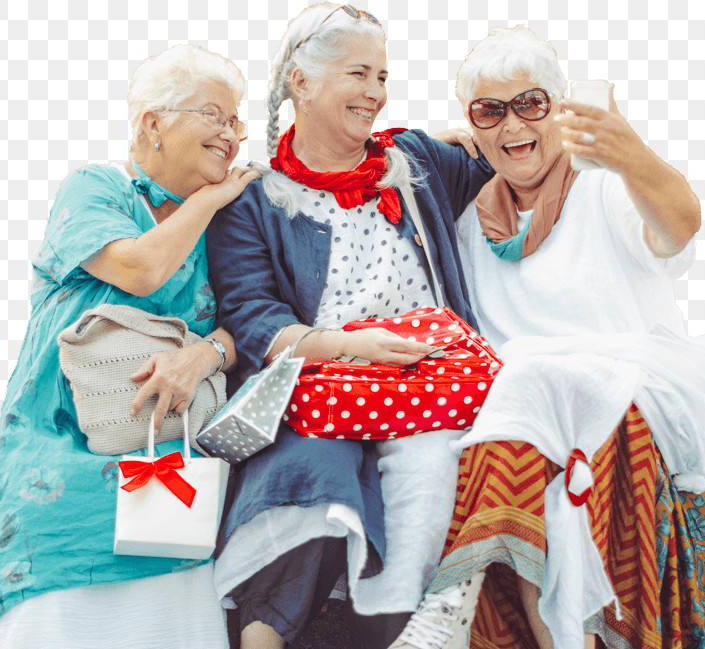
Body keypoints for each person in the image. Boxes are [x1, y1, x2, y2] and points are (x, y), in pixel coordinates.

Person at [389, 26, 705, 649]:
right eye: (491, 110)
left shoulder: (602, 187)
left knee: (535, 377)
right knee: (533, 440)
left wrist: (627, 154)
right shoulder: (468, 217)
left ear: (558, 109)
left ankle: (451, 599)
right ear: (473, 125)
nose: (513, 124)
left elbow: (678, 226)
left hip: (631, 389)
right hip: (525, 415)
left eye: (530, 104)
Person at [204, 4, 494, 649]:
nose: (376, 93)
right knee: (312, 468)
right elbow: (251, 315)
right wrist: (347, 347)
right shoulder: (254, 198)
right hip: (326, 382)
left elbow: (510, 152)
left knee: (428, 470)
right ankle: (261, 637)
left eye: (383, 76)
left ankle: (407, 629)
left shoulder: (415, 161)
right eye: (359, 73)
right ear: (301, 82)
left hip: (433, 379)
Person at [0, 44, 257, 649]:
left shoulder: (227, 229)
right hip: (58, 491)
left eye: (236, 122)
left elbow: (247, 321)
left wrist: (203, 353)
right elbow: (141, 268)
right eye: (214, 115)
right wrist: (209, 199)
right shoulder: (98, 190)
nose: (230, 135)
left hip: (170, 496)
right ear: (153, 123)